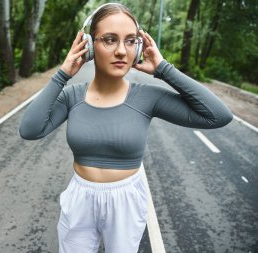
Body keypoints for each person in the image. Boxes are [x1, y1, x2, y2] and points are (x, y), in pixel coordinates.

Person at [19, 3, 233, 253]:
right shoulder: (72, 96)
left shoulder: (148, 98)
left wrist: (164, 70)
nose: (121, 51)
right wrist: (62, 75)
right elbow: (30, 130)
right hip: (80, 199)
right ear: (88, 46)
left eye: (130, 41)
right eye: (109, 40)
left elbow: (218, 116)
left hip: (126, 202)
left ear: (139, 47)